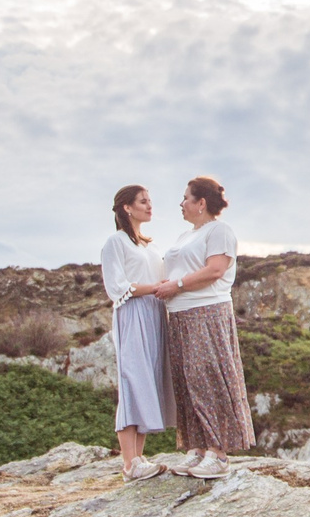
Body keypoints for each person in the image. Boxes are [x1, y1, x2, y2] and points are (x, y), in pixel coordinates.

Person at [154, 175, 252, 477]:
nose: (181, 204)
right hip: (181, 314)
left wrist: (178, 285)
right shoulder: (186, 236)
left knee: (207, 377)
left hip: (206, 311)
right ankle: (196, 448)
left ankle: (218, 453)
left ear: (201, 203)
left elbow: (215, 270)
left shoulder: (220, 231)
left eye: (186, 198)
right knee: (186, 381)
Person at [101, 185, 172, 480]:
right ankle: (129, 464)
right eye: (144, 201)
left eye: (150, 201)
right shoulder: (115, 243)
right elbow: (117, 286)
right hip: (132, 312)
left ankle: (140, 459)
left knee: (148, 380)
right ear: (127, 208)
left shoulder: (150, 246)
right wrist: (155, 288)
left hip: (155, 313)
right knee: (132, 380)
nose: (150, 206)